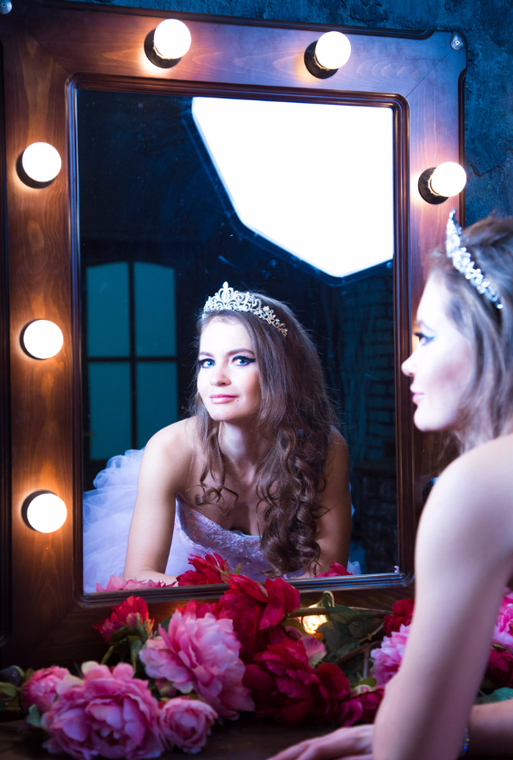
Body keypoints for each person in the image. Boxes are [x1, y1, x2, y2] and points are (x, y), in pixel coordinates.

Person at [268, 210, 513, 760]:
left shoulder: (478, 484)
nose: (406, 364)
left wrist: (408, 730)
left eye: (426, 337)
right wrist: (459, 728)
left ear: (492, 336)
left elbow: (416, 752)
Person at [83, 282, 353, 591]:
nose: (216, 378)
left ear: (282, 369)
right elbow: (139, 576)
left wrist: (264, 607)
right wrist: (239, 601)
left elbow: (326, 576)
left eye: (241, 360)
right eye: (207, 362)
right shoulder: (170, 449)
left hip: (289, 605)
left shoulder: (325, 448)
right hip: (191, 598)